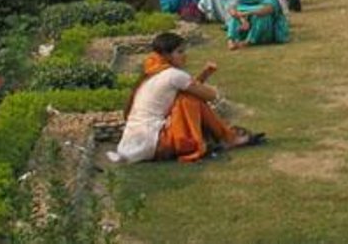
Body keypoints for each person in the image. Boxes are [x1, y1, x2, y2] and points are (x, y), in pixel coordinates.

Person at [107, 31, 262, 163]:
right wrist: (203, 81)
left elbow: (186, 88)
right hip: (153, 141)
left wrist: (205, 74)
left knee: (188, 98)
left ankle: (226, 136)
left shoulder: (154, 71)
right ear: (167, 55)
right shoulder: (173, 75)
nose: (184, 56)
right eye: (180, 52)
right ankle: (227, 137)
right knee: (190, 101)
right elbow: (210, 95)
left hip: (133, 144)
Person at [226, 0, 290, 49]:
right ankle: (231, 41)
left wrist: (246, 13)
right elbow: (232, 9)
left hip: (265, 30)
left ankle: (249, 41)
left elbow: (265, 10)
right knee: (234, 19)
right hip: (245, 28)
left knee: (261, 17)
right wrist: (242, 19)